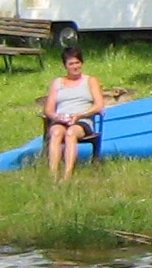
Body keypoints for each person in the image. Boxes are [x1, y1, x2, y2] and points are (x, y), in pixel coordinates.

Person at [42, 45, 107, 180]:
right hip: (62, 119)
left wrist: (80, 115)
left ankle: (67, 175)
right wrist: (57, 116)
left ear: (82, 63)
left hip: (82, 120)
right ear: (65, 66)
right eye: (71, 63)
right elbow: (48, 109)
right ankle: (53, 174)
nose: (75, 66)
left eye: (77, 62)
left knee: (71, 133)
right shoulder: (57, 83)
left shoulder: (90, 81)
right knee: (56, 132)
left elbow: (99, 105)